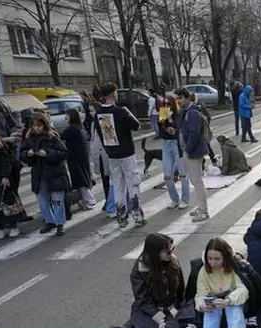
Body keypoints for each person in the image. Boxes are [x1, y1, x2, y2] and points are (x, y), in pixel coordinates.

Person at [87, 233, 196, 328]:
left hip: (168, 308)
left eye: (172, 249)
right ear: (155, 254)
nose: (171, 253)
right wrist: (160, 318)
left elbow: (180, 290)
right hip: (145, 311)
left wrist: (176, 309)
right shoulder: (140, 271)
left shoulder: (172, 261)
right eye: (167, 251)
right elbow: (143, 301)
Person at [94, 82, 143, 228]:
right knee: (132, 184)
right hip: (126, 153)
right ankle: (137, 215)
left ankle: (121, 217)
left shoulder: (98, 114)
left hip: (112, 154)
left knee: (118, 187)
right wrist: (128, 112)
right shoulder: (121, 111)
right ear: (113, 94)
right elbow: (137, 125)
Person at [194, 238, 250, 328]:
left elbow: (243, 290)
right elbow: (200, 295)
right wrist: (202, 305)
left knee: (233, 307)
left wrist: (228, 300)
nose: (212, 263)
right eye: (210, 259)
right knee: (211, 307)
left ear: (225, 257)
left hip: (234, 300)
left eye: (217, 259)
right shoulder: (203, 271)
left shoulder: (234, 267)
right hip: (216, 303)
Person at [20, 111, 71, 236]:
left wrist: (47, 154)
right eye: (34, 125)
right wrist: (28, 154)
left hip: (55, 172)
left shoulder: (52, 137)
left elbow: (63, 152)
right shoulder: (29, 138)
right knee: (42, 200)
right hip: (39, 172)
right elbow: (22, 153)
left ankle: (60, 224)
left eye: (39, 125)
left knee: (57, 200)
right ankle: (49, 221)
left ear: (45, 125)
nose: (36, 128)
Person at [176, 88, 211, 222]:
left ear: (188, 98)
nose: (178, 101)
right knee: (195, 181)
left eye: (181, 98)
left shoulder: (192, 113)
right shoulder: (186, 112)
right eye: (177, 98)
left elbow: (194, 134)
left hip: (193, 151)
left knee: (197, 181)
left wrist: (188, 150)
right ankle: (201, 207)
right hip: (191, 150)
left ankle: (203, 211)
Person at [155, 91, 190, 210]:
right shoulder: (164, 112)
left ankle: (185, 199)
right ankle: (174, 199)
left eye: (169, 105)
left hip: (178, 144)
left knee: (183, 173)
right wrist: (166, 128)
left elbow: (183, 129)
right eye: (165, 105)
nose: (166, 107)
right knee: (167, 175)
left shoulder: (180, 114)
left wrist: (174, 130)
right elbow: (160, 131)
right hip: (167, 144)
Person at [62, 108, 97, 210]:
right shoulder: (79, 128)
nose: (65, 117)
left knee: (81, 180)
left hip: (75, 159)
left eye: (67, 116)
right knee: (83, 179)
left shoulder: (71, 130)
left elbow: (62, 136)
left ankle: (90, 200)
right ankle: (85, 200)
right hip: (81, 158)